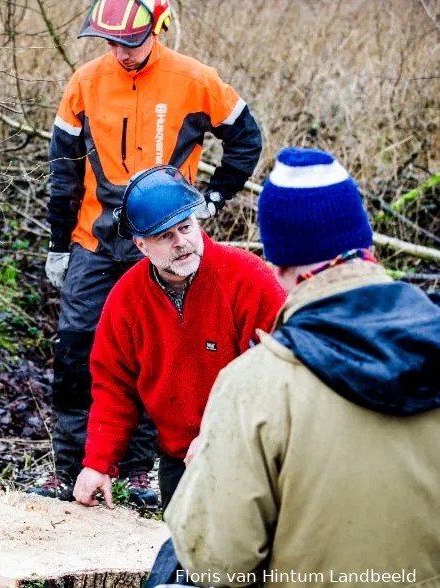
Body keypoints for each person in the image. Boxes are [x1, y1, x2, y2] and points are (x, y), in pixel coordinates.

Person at [164, 148, 440, 586]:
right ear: (365, 246)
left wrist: (206, 468)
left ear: (279, 265)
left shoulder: (256, 383)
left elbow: (217, 563)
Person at [36, 0, 263, 504]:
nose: (120, 51)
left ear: (156, 30)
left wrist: (213, 199)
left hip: (162, 235)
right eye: (111, 42)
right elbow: (63, 169)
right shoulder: (85, 83)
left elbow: (245, 139)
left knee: (153, 351)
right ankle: (70, 466)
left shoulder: (194, 79)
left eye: (130, 42)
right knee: (76, 350)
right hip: (95, 238)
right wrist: (58, 243)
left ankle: (139, 469)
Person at [70, 166, 285, 510]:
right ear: (141, 245)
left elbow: (281, 372)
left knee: (257, 558)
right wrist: (98, 460)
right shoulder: (127, 299)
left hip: (253, 451)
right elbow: (113, 385)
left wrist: (222, 430)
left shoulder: (248, 278)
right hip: (180, 458)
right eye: (164, 236)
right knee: (186, 558)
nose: (181, 242)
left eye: (185, 227)